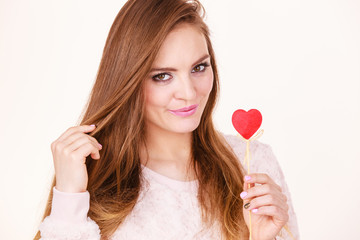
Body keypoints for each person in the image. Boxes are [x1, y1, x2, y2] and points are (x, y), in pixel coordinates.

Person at [35, 0, 299, 239]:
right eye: (162, 76)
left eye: (199, 67)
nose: (188, 93)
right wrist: (68, 198)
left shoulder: (253, 165)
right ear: (128, 81)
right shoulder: (91, 178)